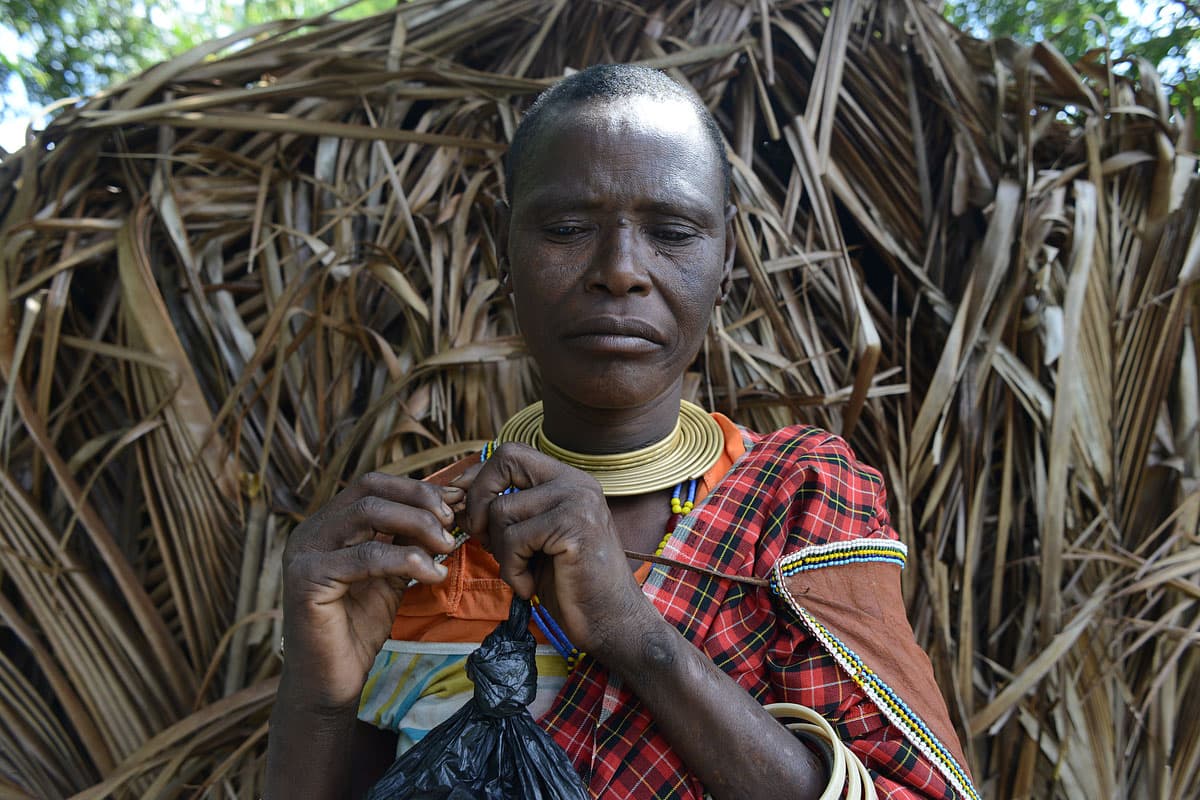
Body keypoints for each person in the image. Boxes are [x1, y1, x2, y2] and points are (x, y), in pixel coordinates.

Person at [264, 64, 978, 800]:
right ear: (504, 255)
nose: (620, 271)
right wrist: (319, 694)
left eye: (670, 232)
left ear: (726, 263)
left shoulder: (800, 504)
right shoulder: (419, 543)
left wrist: (633, 633)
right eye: (568, 229)